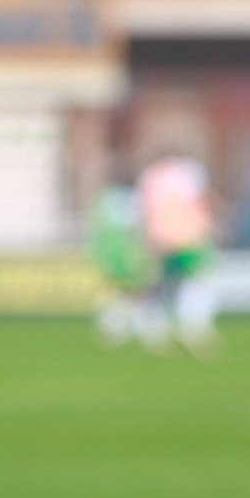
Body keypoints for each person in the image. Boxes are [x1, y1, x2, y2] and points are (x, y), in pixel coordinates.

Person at [137, 152, 221, 355]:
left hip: (161, 238)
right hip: (189, 238)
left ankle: (155, 331)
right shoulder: (188, 173)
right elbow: (200, 200)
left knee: (164, 286)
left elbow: (143, 209)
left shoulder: (150, 176)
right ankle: (192, 328)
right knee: (198, 282)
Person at [87, 174, 158, 347]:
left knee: (124, 291)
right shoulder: (130, 200)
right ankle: (138, 328)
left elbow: (98, 226)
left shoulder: (105, 199)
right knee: (137, 291)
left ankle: (117, 326)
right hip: (127, 252)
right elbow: (135, 225)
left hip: (111, 251)